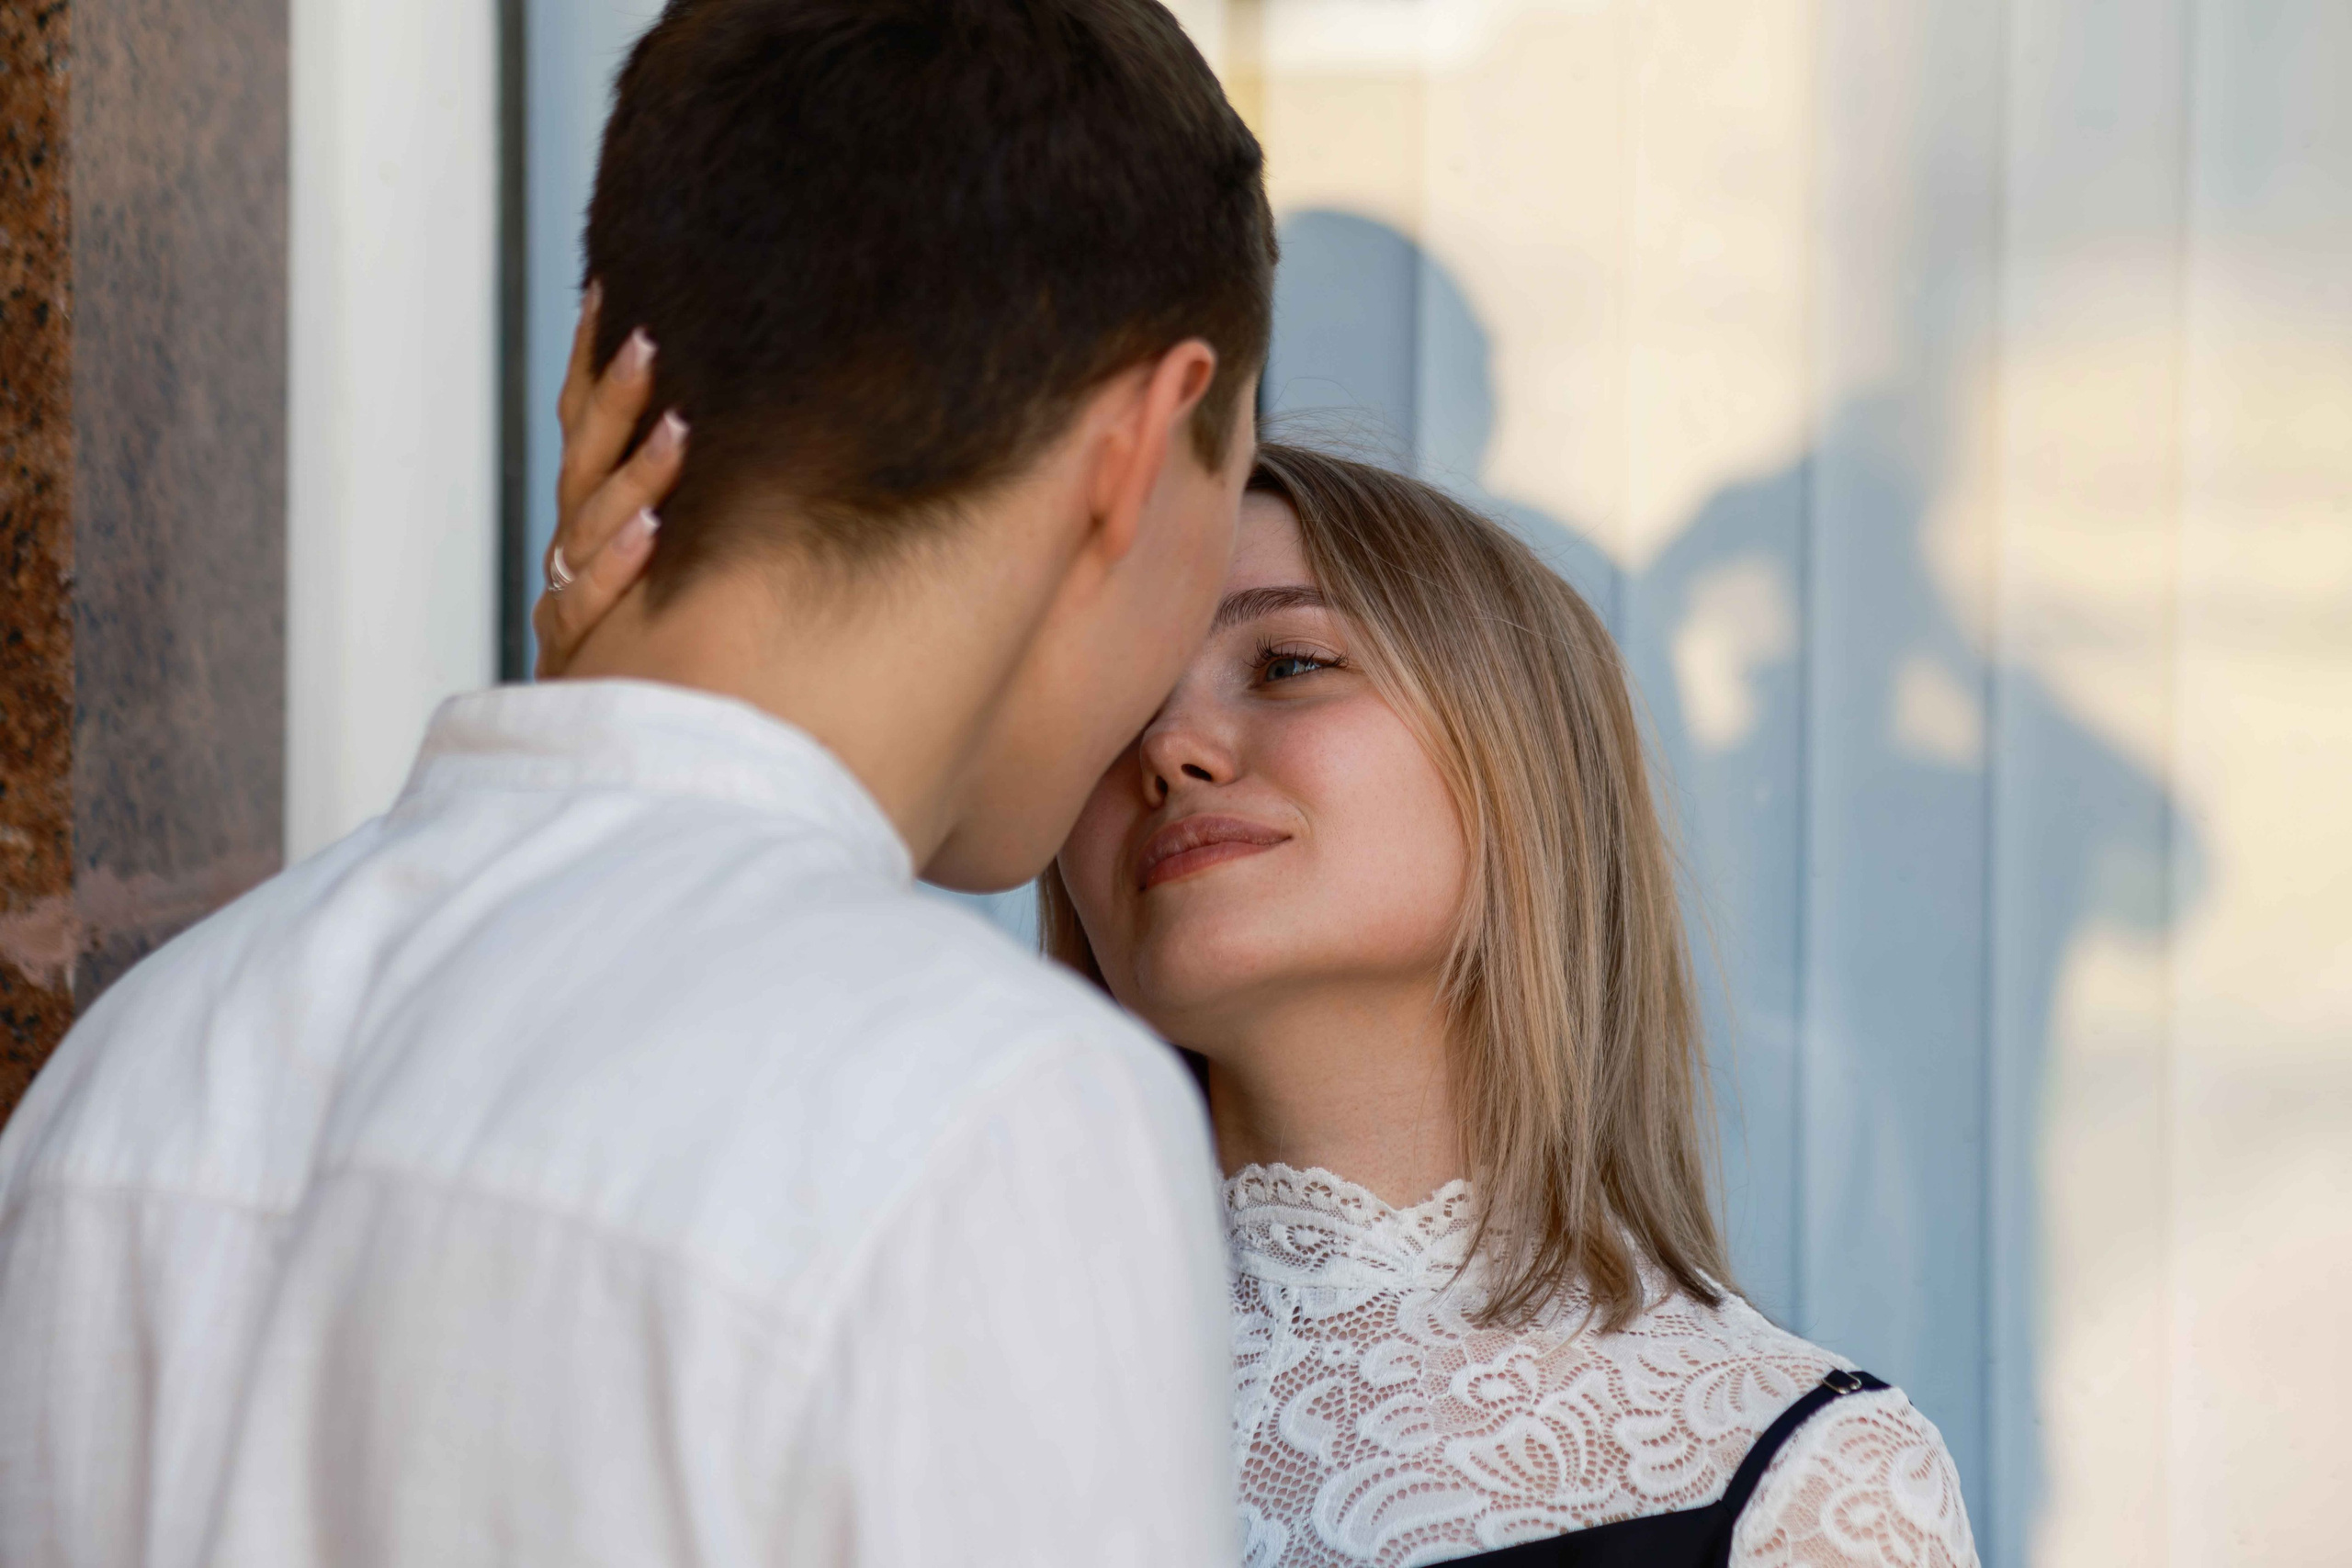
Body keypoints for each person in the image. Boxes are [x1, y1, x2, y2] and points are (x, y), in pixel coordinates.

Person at [0, 4, 1275, 1564]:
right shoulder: (987, 1110)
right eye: (1228, 484)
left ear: (612, 369)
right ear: (1140, 442)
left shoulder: (128, 1082)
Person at [544, 366, 1981, 1561]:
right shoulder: (895, 1356)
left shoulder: (1809, 1483)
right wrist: (619, 763)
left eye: (1290, 665)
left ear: (1526, 765)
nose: (1170, 749)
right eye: (1116, 711)